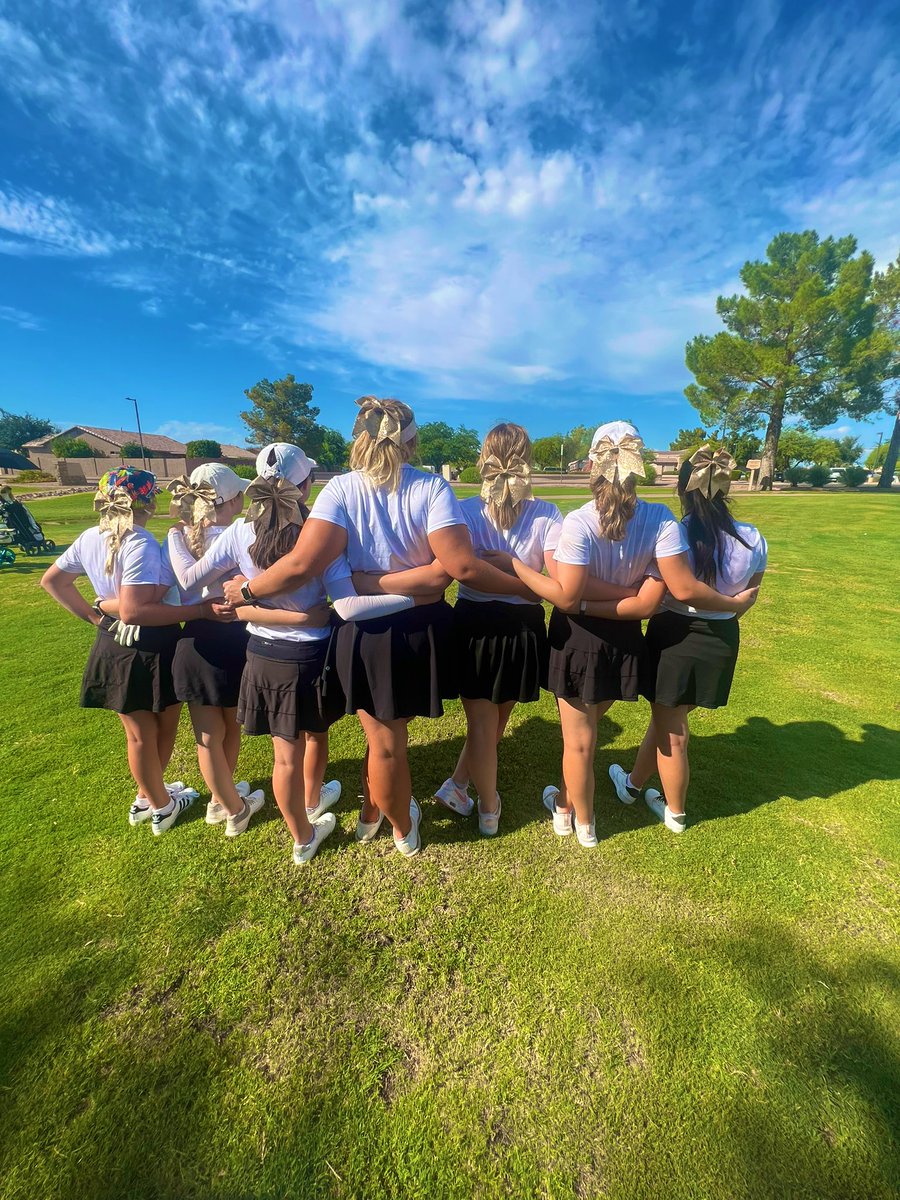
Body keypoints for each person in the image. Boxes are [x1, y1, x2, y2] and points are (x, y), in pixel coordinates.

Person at [221, 397, 529, 858]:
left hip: (366, 633)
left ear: (361, 438)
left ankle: (393, 822)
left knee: (384, 742)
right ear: (412, 441)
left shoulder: (340, 490)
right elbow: (451, 570)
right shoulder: (430, 488)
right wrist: (419, 587)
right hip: (420, 630)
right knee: (388, 742)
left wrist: (249, 591)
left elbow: (305, 564)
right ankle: (397, 822)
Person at [488, 422, 758, 848]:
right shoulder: (660, 519)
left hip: (577, 641)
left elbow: (567, 595)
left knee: (579, 742)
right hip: (626, 642)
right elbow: (648, 604)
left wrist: (518, 568)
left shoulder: (579, 521)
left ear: (593, 465)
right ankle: (563, 804)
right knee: (588, 732)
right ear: (638, 465)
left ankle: (581, 822)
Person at [167, 442, 421, 864]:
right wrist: (416, 598)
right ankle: (310, 804)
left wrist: (177, 535)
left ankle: (303, 836)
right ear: (305, 485)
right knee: (316, 737)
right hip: (314, 655)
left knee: (283, 756)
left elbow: (191, 581)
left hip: (262, 652)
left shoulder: (237, 532)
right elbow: (345, 602)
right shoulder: (322, 535)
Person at [39, 467, 230, 834]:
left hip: (115, 643)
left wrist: (98, 617)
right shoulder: (139, 541)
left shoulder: (90, 536)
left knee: (140, 733)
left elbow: (54, 582)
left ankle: (149, 796)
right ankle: (160, 805)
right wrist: (201, 611)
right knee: (154, 731)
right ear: (145, 500)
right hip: (148, 645)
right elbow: (134, 609)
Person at [607, 446, 767, 832]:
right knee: (669, 718)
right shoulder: (753, 538)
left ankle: (674, 811)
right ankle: (631, 784)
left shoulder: (672, 534)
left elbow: (672, 589)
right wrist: (729, 607)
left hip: (676, 638)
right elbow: (749, 596)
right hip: (722, 637)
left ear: (683, 491)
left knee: (672, 732)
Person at [435, 423, 562, 836]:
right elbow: (552, 585)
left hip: (475, 624)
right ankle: (486, 806)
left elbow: (467, 576)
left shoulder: (465, 509)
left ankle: (467, 792)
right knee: (490, 721)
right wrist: (528, 586)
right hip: (521, 625)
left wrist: (506, 570)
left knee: (484, 723)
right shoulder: (546, 512)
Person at [163, 464, 265, 838]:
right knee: (228, 728)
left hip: (198, 638)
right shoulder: (242, 534)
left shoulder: (177, 537)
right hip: (239, 636)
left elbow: (182, 586)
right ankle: (233, 808)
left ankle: (220, 798)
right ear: (233, 499)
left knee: (208, 733)